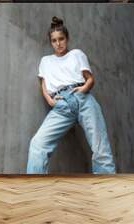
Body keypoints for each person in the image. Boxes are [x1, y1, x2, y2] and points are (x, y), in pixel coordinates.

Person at [26, 16, 116, 174]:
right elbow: (44, 84)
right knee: (37, 144)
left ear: (67, 39)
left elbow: (90, 79)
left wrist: (81, 91)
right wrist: (50, 101)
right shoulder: (46, 61)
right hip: (61, 105)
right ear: (51, 42)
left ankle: (106, 190)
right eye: (54, 40)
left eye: (61, 39)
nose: (58, 43)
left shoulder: (77, 54)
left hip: (82, 99)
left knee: (100, 148)